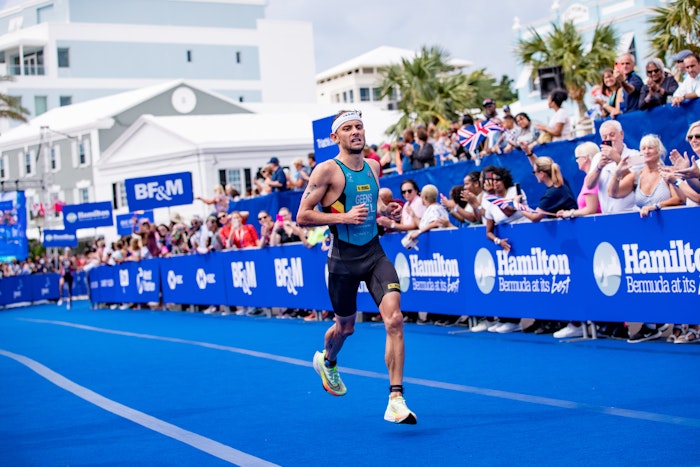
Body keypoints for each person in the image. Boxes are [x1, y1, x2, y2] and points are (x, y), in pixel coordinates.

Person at [296, 109, 417, 425]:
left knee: (395, 319)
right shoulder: (326, 170)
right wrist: (343, 217)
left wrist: (386, 212)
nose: (355, 132)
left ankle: (396, 399)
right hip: (343, 261)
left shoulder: (374, 166)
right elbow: (303, 216)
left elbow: (371, 204)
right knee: (345, 328)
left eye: (359, 126)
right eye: (348, 128)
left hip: (375, 254)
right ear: (335, 137)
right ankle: (328, 360)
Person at [609, 133, 684, 217]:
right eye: (643, 148)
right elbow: (613, 193)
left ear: (659, 151)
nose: (646, 151)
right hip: (644, 223)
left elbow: (679, 199)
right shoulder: (636, 176)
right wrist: (617, 173)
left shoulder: (669, 172)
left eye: (650, 148)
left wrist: (656, 207)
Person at [583, 119, 639, 214]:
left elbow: (634, 183)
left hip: (630, 213)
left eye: (612, 135)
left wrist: (617, 159)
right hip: (607, 214)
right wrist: (598, 167)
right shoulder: (598, 157)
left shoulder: (635, 155)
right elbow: (589, 185)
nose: (609, 139)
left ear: (621, 134)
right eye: (605, 137)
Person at [515, 155, 577, 222]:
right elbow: (540, 165)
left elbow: (534, 217)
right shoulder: (562, 182)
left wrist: (517, 205)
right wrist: (529, 153)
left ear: (542, 174)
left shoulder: (551, 194)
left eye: (534, 172)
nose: (534, 174)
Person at [557, 141, 602, 219]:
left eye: (577, 158)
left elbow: (591, 209)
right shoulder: (593, 177)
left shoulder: (591, 179)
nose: (576, 161)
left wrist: (569, 213)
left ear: (585, 159)